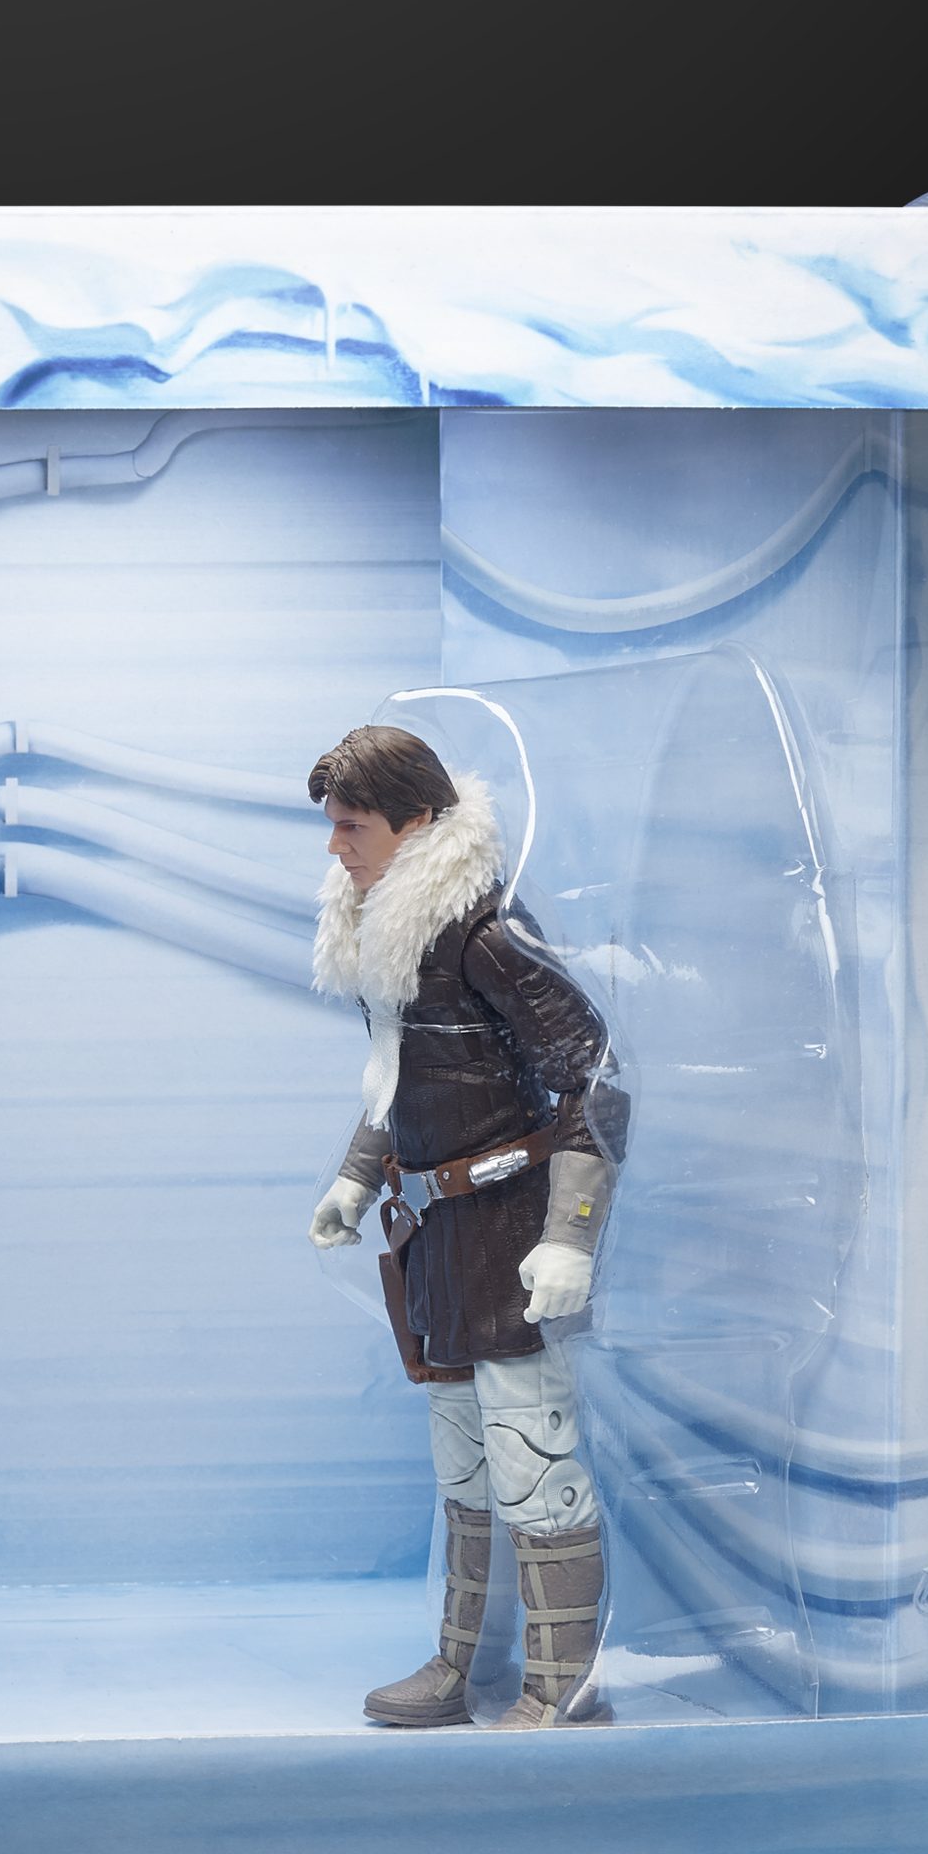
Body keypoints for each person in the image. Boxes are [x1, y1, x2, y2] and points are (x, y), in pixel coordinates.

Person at [301, 727, 629, 1729]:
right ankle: (462, 1665)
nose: (335, 847)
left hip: (510, 1234)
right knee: (467, 1465)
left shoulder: (485, 935)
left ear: (416, 822)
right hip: (435, 1240)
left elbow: (597, 1080)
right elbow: (398, 1079)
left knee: (532, 1460)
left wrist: (570, 1234)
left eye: (352, 826)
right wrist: (357, 1178)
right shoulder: (390, 936)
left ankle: (559, 1683)